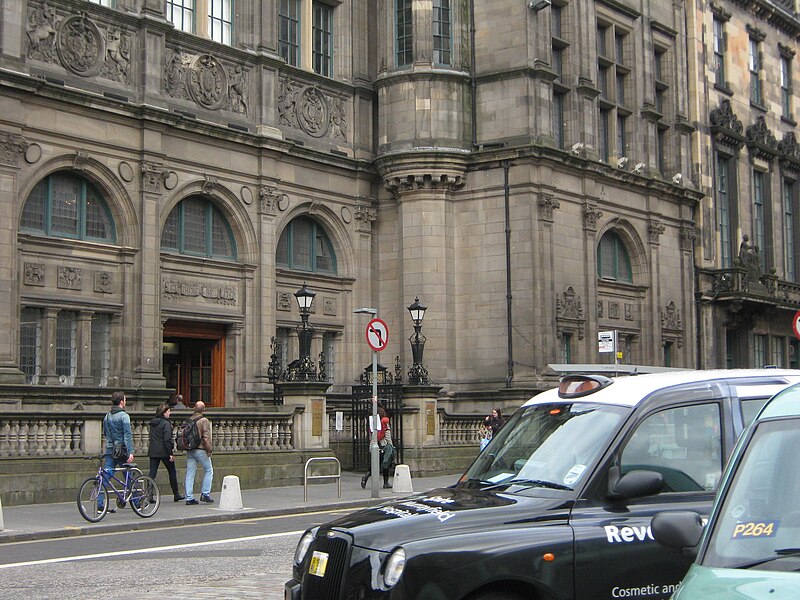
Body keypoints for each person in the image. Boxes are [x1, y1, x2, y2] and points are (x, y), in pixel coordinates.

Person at [101, 390, 134, 512]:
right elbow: (127, 435)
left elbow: (105, 433)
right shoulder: (124, 416)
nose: (126, 402)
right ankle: (136, 501)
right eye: (125, 400)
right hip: (121, 450)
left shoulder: (107, 416)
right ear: (121, 402)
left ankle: (100, 504)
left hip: (110, 449)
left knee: (106, 476)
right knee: (128, 476)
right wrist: (130, 451)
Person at [148, 403, 184, 502]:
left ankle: (149, 495)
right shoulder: (166, 424)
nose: (170, 413)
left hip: (153, 450)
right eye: (168, 411)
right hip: (164, 451)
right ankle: (176, 494)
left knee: (152, 473)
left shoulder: (153, 423)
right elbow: (167, 439)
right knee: (172, 471)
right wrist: (170, 453)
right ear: (164, 413)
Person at [184, 401, 214, 505]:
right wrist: (209, 449)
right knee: (209, 470)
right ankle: (205, 494)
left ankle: (189, 497)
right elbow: (206, 437)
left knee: (190, 473)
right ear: (204, 409)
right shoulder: (204, 420)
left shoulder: (189, 419)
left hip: (190, 449)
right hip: (201, 449)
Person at [361, 407, 394, 489]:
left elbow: (371, 436)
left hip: (374, 445)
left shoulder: (372, 422)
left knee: (375, 463)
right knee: (386, 464)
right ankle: (385, 483)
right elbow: (387, 435)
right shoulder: (384, 422)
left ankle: (366, 476)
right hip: (383, 446)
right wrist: (391, 446)